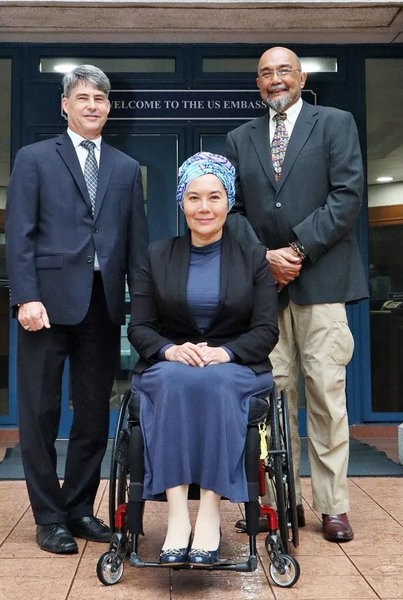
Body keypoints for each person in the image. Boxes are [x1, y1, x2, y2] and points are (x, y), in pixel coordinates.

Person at [226, 47, 368, 542]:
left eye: (283, 70)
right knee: (269, 398)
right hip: (264, 291)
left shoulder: (335, 122)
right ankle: (276, 503)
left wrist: (296, 250)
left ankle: (333, 506)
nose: (274, 79)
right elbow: (234, 210)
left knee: (327, 396)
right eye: (265, 73)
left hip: (323, 283)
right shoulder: (239, 138)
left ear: (301, 77)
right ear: (257, 84)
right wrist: (266, 258)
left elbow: (347, 195)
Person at [6, 65, 148, 554]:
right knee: (41, 413)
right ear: (65, 105)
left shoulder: (126, 169)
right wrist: (25, 296)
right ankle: (49, 517)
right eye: (83, 97)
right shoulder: (34, 158)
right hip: (44, 305)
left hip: (102, 307)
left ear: (110, 108)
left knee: (92, 415)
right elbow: (20, 234)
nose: (93, 105)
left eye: (101, 99)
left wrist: (141, 309)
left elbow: (136, 247)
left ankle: (80, 509)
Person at [127, 152, 279, 566]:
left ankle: (209, 515)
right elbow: (139, 327)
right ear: (182, 202)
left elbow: (267, 330)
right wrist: (170, 350)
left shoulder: (253, 259)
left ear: (228, 201)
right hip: (170, 366)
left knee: (213, 382)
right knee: (176, 380)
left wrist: (225, 353)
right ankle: (178, 518)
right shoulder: (156, 256)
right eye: (194, 198)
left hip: (236, 367)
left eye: (214, 197)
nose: (204, 207)